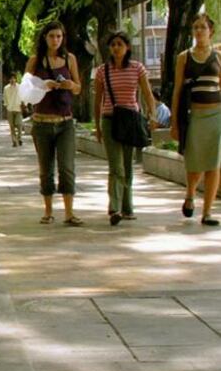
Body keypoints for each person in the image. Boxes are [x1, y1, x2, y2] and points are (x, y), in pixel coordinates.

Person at [93, 31, 156, 226]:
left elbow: (147, 94)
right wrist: (97, 126)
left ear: (127, 47)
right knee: (116, 166)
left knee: (128, 166)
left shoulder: (137, 68)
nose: (116, 48)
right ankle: (115, 207)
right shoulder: (103, 71)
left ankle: (128, 207)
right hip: (110, 119)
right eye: (113, 45)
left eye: (120, 44)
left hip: (130, 120)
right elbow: (97, 100)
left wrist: (152, 114)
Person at [26, 20, 83, 226]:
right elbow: (26, 91)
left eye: (59, 36)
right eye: (51, 36)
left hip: (65, 122)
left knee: (67, 167)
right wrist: (44, 85)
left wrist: (70, 85)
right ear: (44, 38)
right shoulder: (35, 61)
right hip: (42, 123)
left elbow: (78, 88)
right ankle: (48, 211)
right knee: (46, 169)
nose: (55, 40)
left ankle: (69, 212)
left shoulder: (70, 59)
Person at [170, 12, 221, 226]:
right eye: (196, 27)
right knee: (195, 163)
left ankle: (207, 212)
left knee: (214, 164)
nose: (199, 31)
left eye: (203, 27)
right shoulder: (184, 57)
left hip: (217, 115)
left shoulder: (218, 57)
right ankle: (190, 193)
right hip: (194, 117)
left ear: (211, 31)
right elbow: (178, 90)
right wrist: (174, 122)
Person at [3, 74, 24, 147]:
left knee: (19, 124)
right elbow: (5, 99)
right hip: (10, 109)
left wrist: (24, 105)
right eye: (11, 79)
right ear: (9, 80)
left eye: (13, 78)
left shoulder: (20, 87)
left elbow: (23, 96)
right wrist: (6, 107)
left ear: (16, 79)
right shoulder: (6, 88)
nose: (12, 80)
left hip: (18, 109)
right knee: (11, 127)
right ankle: (14, 141)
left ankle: (19, 138)